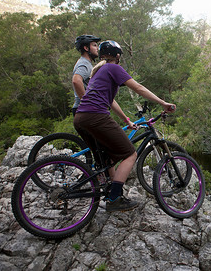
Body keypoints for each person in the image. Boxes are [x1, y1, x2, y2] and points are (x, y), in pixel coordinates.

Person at [73, 40, 176, 212]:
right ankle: (114, 199)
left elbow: (110, 101)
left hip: (81, 118)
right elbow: (138, 88)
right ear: (118, 55)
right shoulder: (114, 68)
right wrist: (163, 102)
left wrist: (126, 120)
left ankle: (113, 192)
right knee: (130, 154)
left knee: (107, 158)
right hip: (96, 116)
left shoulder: (98, 72)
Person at [72, 35, 101, 116]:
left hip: (82, 109)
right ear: (86, 48)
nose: (97, 48)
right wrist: (87, 103)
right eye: (94, 45)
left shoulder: (86, 63)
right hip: (83, 110)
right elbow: (76, 81)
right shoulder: (83, 64)